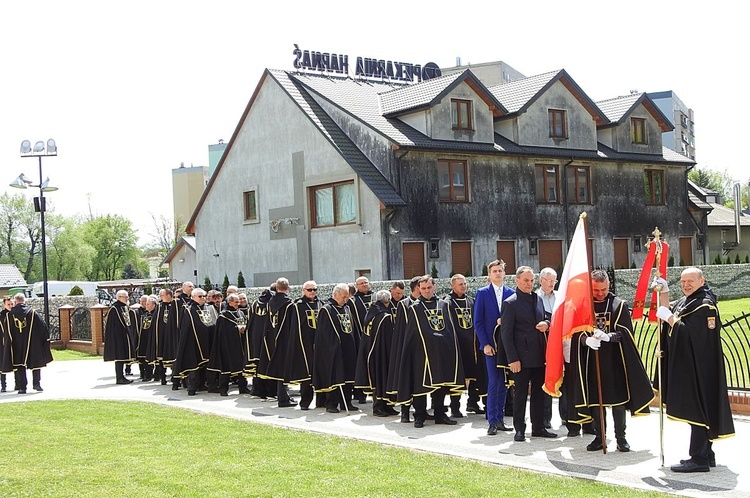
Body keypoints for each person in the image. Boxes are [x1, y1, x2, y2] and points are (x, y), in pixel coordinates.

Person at [655, 267, 735, 472]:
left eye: (690, 281)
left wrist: (669, 319)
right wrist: (664, 293)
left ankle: (699, 459)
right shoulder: (688, 301)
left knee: (699, 408)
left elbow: (692, 335)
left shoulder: (705, 305)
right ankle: (706, 455)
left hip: (701, 367)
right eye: (682, 282)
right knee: (699, 407)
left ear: (702, 280)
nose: (686, 285)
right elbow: (671, 314)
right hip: (691, 366)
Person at [572, 270, 654, 452]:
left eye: (603, 289)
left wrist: (610, 337)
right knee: (596, 402)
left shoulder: (619, 305)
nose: (600, 293)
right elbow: (576, 332)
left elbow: (626, 333)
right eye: (596, 290)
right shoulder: (584, 305)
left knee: (618, 402)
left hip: (614, 361)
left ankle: (621, 438)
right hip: (591, 362)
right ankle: (600, 437)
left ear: (609, 286)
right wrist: (586, 340)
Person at [396, 275, 464, 428]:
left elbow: (449, 329)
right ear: (419, 289)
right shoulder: (414, 308)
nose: (426, 291)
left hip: (441, 352)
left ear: (434, 287)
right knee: (421, 386)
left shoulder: (444, 305)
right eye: (423, 288)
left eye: (429, 287)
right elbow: (412, 333)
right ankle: (419, 416)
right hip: (422, 353)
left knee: (440, 384)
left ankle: (440, 414)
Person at [500, 266, 557, 441]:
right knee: (521, 395)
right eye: (526, 280)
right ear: (517, 281)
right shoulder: (510, 303)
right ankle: (519, 429)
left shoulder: (537, 299)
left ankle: (538, 427)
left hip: (539, 355)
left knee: (540, 394)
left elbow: (547, 317)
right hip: (521, 358)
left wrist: (546, 324)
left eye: (532, 280)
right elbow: (506, 335)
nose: (529, 284)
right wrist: (513, 359)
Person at [473, 260, 515, 435]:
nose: (497, 274)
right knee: (493, 382)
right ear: (489, 275)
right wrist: (486, 344)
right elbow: (478, 322)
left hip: (507, 346)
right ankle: (492, 421)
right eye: (494, 271)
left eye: (500, 271)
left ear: (505, 273)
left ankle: (501, 419)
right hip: (491, 346)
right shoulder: (482, 293)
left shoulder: (512, 294)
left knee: (504, 383)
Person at [313, 283, 360, 413]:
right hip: (334, 350)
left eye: (347, 297)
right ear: (336, 295)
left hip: (348, 350)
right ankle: (331, 404)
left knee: (348, 377)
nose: (345, 300)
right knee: (335, 376)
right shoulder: (327, 310)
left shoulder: (347, 308)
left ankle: (347, 402)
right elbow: (324, 333)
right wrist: (333, 347)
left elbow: (352, 328)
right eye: (343, 297)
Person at [445, 274, 487, 419]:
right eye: (460, 284)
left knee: (475, 374)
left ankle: (473, 402)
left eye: (464, 283)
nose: (464, 286)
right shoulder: (448, 303)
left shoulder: (471, 301)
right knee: (458, 377)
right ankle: (455, 407)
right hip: (457, 345)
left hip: (472, 344)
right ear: (453, 286)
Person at [355, 289, 397, 417]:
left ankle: (387, 406)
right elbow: (388, 339)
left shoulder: (371, 313)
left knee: (376, 379)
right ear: (388, 301)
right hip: (381, 353)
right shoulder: (384, 316)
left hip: (369, 351)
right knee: (381, 380)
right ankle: (378, 407)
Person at [1, 293, 53, 393]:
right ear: (24, 301)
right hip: (32, 344)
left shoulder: (9, 315)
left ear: (15, 302)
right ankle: (36, 384)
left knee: (20, 365)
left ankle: (22, 388)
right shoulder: (33, 313)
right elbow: (43, 327)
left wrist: (8, 345)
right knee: (36, 363)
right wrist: (44, 341)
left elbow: (7, 333)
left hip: (17, 345)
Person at [257, 277, 296, 407]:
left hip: (271, 337)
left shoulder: (269, 302)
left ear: (277, 288)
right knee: (283, 368)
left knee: (278, 367)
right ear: (288, 288)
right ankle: (283, 398)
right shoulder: (289, 304)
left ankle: (283, 396)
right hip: (284, 338)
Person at [387, 276, 421, 423]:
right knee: (406, 380)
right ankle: (405, 412)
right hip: (407, 348)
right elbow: (401, 330)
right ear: (417, 287)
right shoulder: (404, 304)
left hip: (422, 350)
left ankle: (422, 411)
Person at [285, 281, 323, 410]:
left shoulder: (321, 304)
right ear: (303, 291)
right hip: (304, 344)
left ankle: (321, 401)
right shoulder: (297, 306)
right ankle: (305, 402)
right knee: (306, 374)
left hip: (319, 343)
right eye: (309, 290)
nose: (312, 292)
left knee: (320, 372)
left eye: (314, 289)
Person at [172, 288, 218, 395]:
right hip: (194, 342)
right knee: (194, 365)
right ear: (193, 297)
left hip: (209, 340)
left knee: (209, 364)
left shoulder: (210, 308)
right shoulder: (188, 309)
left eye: (204, 296)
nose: (203, 298)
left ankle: (210, 385)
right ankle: (192, 387)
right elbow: (185, 328)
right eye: (200, 296)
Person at [207, 293, 250, 396]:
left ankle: (243, 387)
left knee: (241, 367)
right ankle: (223, 389)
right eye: (236, 302)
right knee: (226, 368)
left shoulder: (239, 312)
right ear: (230, 302)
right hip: (228, 346)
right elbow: (222, 332)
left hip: (240, 345)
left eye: (238, 302)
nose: (238, 304)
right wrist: (236, 330)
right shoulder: (223, 315)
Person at [535, 267, 557, 429]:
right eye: (548, 280)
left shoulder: (560, 297)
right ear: (541, 280)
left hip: (560, 342)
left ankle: (567, 416)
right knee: (545, 379)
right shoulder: (534, 298)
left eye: (554, 280)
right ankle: (545, 418)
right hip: (541, 343)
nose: (551, 283)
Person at [103, 290, 137, 385]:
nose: (127, 299)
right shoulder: (114, 309)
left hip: (124, 335)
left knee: (123, 357)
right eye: (125, 297)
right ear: (119, 297)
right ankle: (119, 377)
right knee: (119, 357)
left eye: (127, 297)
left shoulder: (124, 307)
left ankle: (122, 376)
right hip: (118, 337)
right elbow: (112, 326)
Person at [0, 296, 13, 393]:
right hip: (2, 343)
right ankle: (3, 385)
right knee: (2, 364)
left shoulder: (15, 314)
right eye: (8, 304)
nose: (10, 306)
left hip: (14, 343)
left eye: (11, 304)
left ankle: (18, 384)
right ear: (4, 305)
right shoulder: (1, 315)